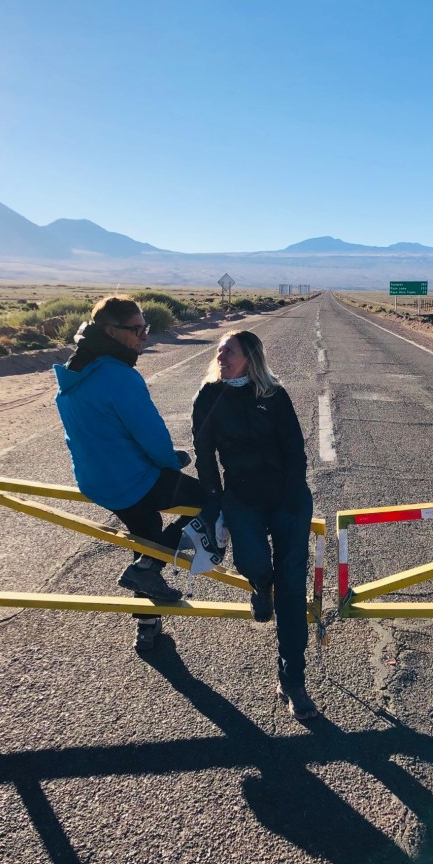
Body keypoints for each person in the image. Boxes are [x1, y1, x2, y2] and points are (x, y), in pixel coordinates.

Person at [54, 294, 207, 652]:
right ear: (111, 331)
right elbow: (151, 436)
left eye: (146, 328)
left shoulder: (74, 372)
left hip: (97, 482)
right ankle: (148, 569)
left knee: (146, 535)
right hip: (133, 481)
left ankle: (146, 625)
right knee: (212, 502)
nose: (144, 337)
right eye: (137, 329)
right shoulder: (117, 376)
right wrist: (172, 461)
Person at [191, 330, 319, 720]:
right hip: (242, 498)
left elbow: (295, 450)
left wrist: (293, 496)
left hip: (287, 499)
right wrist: (215, 501)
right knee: (254, 564)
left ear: (250, 357)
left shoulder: (274, 396)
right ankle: (261, 586)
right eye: (219, 351)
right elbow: (203, 453)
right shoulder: (209, 397)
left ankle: (292, 680)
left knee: (293, 590)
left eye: (229, 351)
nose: (221, 355)